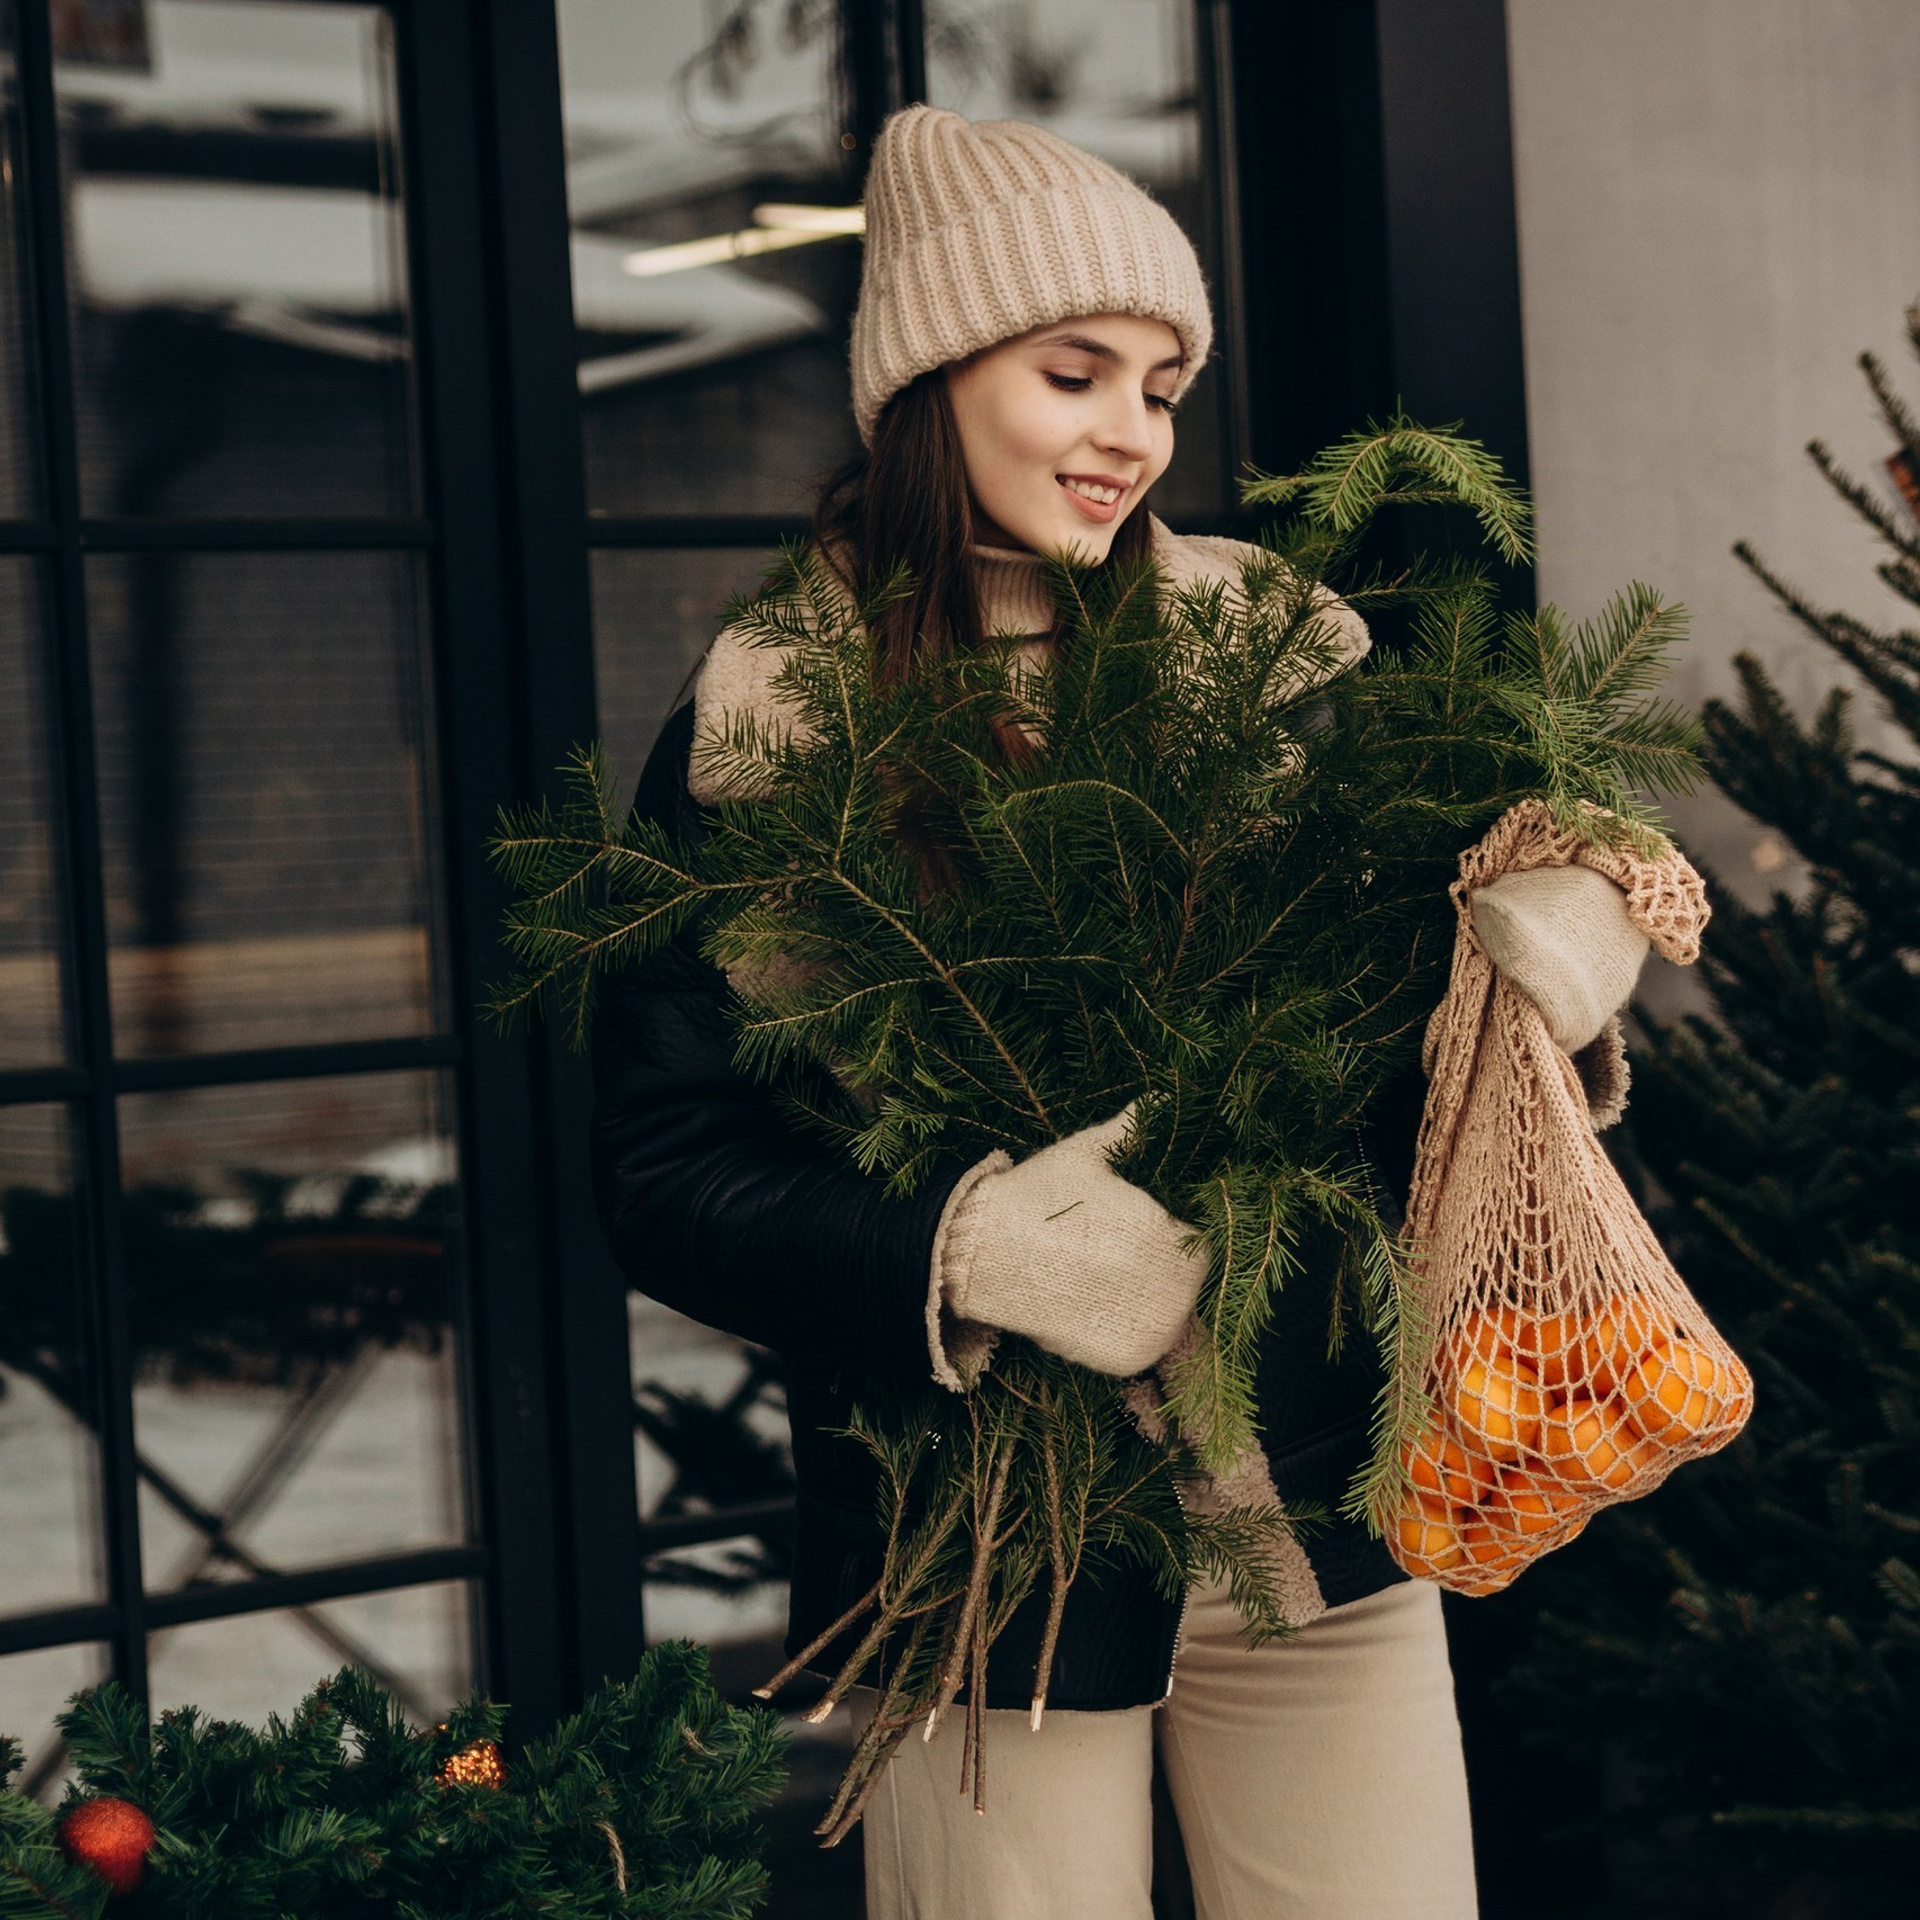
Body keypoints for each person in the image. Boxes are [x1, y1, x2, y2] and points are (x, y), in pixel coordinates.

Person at [590, 104, 1650, 1920]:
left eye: (1161, 386)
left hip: (1321, 1505)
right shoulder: (779, 713)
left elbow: (1390, 1006)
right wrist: (961, 1245)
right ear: (932, 378)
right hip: (990, 1553)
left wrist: (1548, 957)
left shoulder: (1280, 646)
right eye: (1075, 372)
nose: (1129, 436)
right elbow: (662, 1159)